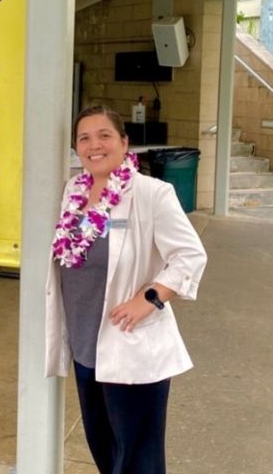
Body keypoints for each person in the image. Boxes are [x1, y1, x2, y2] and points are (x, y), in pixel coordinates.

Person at [45, 104, 207, 474]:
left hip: (131, 345)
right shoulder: (74, 190)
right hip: (87, 348)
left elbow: (190, 255)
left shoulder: (152, 193)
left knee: (138, 461)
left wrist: (149, 298)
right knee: (104, 450)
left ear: (124, 142)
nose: (94, 145)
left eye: (104, 135)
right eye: (84, 138)